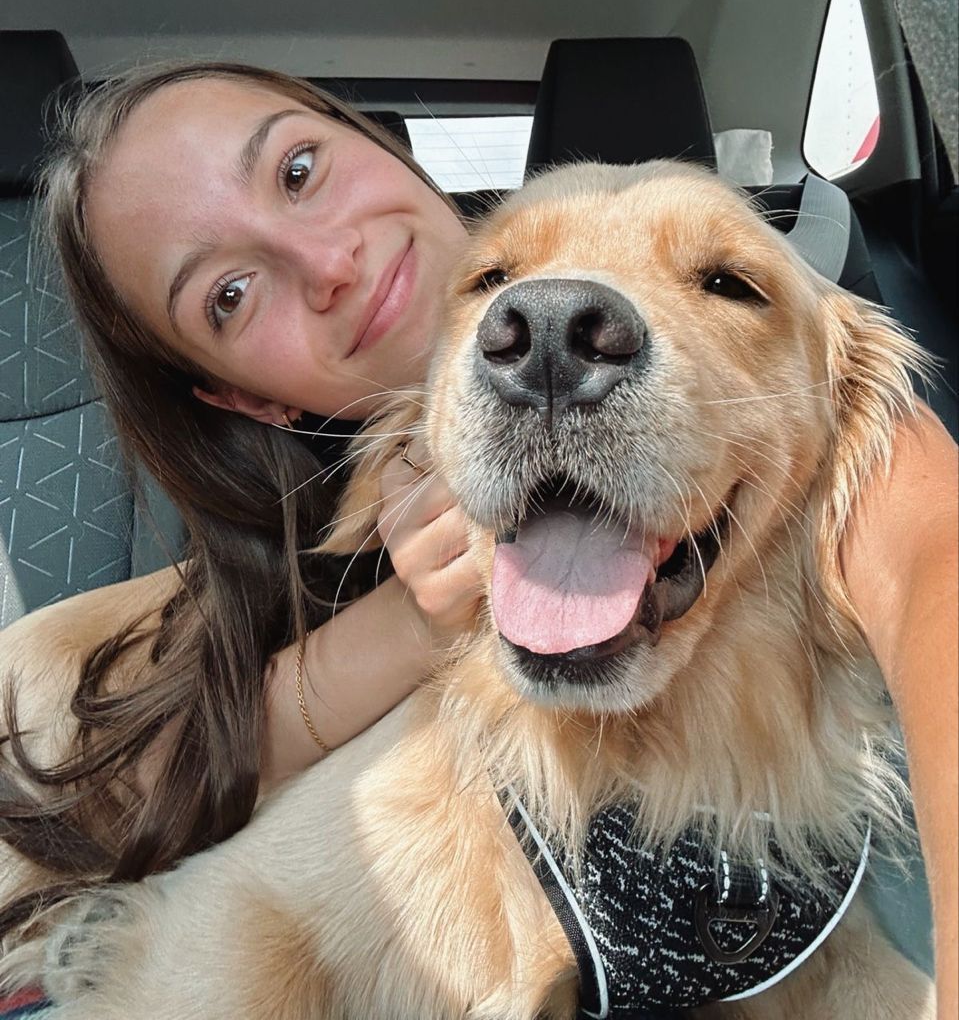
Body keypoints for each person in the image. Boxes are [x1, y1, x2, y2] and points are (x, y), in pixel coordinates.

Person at [0, 62, 955, 1009]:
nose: (328, 264)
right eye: (229, 294)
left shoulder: (833, 401)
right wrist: (415, 618)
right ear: (240, 397)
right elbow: (169, 814)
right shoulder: (256, 584)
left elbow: (931, 557)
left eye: (296, 171)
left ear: (378, 142)